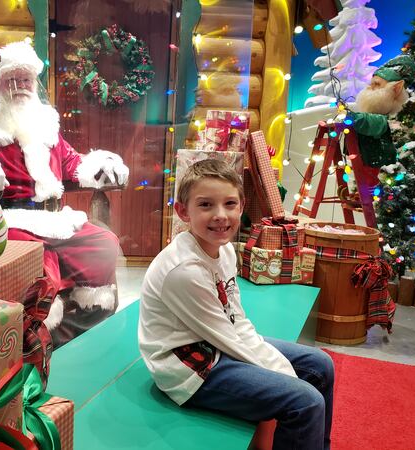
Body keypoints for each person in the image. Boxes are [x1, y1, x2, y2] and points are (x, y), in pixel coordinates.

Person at [138, 159, 334, 450]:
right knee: (304, 401)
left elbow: (235, 319)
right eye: (205, 205)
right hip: (188, 366)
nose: (220, 215)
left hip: (215, 341)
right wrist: (287, 377)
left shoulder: (225, 250)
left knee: (321, 364)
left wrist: (279, 369)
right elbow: (228, 337)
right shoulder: (184, 271)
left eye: (230, 204)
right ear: (183, 212)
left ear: (241, 207)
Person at [0, 39, 129, 347]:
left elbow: (71, 162)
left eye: (27, 79)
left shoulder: (43, 122)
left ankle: (82, 325)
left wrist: (101, 165)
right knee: (42, 264)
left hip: (51, 216)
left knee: (103, 243)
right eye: (12, 79)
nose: (21, 86)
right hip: (5, 218)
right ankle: (37, 339)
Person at [350, 54, 415, 183]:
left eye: (377, 84)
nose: (370, 88)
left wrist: (350, 118)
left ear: (396, 89)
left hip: (385, 177)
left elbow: (367, 122)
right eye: (371, 83)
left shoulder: (392, 121)